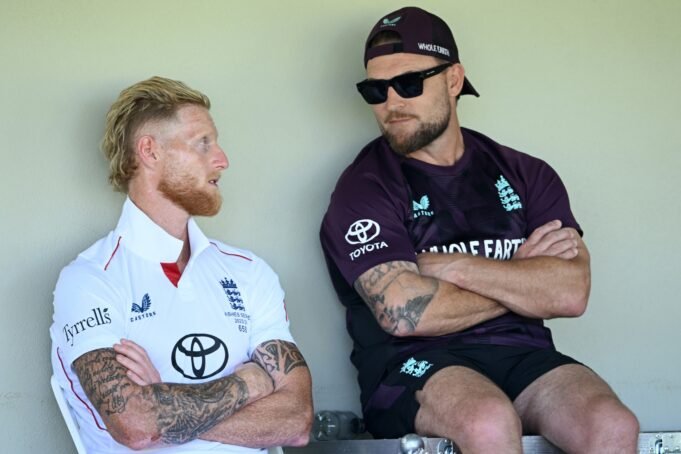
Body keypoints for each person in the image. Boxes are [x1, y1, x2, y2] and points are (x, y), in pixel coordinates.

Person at [320, 6, 638, 453]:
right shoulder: (364, 187)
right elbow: (405, 314)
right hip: (414, 364)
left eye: (409, 83)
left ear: (454, 80)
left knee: (612, 424)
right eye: (375, 90)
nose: (391, 103)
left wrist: (456, 268)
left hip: (523, 354)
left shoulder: (525, 173)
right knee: (487, 421)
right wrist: (522, 277)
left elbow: (570, 292)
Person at [50, 76, 313, 453]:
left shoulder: (249, 271)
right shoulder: (90, 279)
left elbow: (296, 421)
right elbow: (137, 426)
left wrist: (164, 400)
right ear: (150, 151)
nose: (222, 160)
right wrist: (249, 385)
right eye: (202, 143)